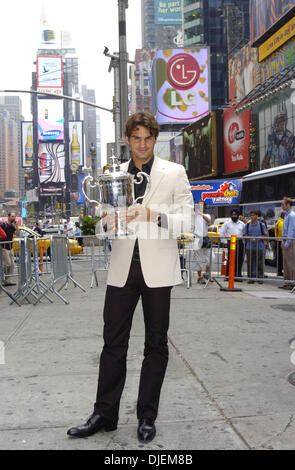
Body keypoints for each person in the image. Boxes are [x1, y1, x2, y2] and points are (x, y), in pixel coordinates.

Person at [67, 112, 193, 443]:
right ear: (128, 140)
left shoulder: (174, 173)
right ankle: (103, 414)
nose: (141, 144)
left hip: (158, 270)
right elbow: (99, 216)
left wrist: (153, 214)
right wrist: (106, 221)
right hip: (122, 269)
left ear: (155, 140)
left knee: (156, 344)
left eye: (147, 138)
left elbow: (188, 222)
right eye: (135, 138)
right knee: (113, 344)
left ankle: (146, 416)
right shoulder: (115, 174)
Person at [220, 209, 245, 280]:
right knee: (230, 259)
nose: (234, 216)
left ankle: (238, 276)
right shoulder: (227, 223)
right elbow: (222, 233)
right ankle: (228, 276)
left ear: (238, 215)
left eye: (235, 215)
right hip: (230, 242)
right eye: (232, 215)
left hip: (239, 242)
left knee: (239, 259)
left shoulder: (242, 224)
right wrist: (224, 242)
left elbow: (244, 233)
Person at [279, 197, 295, 290]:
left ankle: (293, 283)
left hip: (291, 241)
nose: (281, 206)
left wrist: (287, 243)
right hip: (287, 240)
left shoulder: (292, 215)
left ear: (288, 205)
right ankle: (287, 283)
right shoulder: (287, 215)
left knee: (291, 263)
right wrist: (283, 241)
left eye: (283, 204)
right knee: (286, 263)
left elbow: (291, 230)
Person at [243, 210, 267, 284]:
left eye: (253, 215)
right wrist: (249, 238)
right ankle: (251, 278)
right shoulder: (247, 225)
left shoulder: (261, 225)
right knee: (250, 263)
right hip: (249, 247)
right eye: (251, 215)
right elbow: (244, 234)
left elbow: (265, 234)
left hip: (259, 246)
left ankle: (260, 278)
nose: (252, 217)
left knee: (260, 263)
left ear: (257, 216)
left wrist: (258, 238)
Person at [192, 201, 211, 284]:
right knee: (198, 259)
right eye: (199, 205)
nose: (200, 206)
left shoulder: (206, 215)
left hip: (205, 238)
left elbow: (209, 220)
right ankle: (199, 277)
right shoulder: (194, 216)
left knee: (211, 257)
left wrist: (201, 214)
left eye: (202, 205)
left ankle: (206, 273)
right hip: (196, 238)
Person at [0, 212, 20, 286]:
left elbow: (18, 234)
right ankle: (3, 277)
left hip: (10, 247)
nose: (13, 218)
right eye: (12, 216)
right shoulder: (3, 225)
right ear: (8, 217)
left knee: (12, 265)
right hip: (4, 247)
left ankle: (8, 281)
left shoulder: (12, 226)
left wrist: (17, 225)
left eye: (14, 216)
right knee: (7, 264)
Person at [275, 211, 285, 277]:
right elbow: (277, 231)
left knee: (282, 257)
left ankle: (281, 271)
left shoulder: (284, 221)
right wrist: (277, 239)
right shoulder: (279, 222)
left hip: (283, 240)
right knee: (280, 257)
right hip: (280, 241)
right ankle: (279, 271)